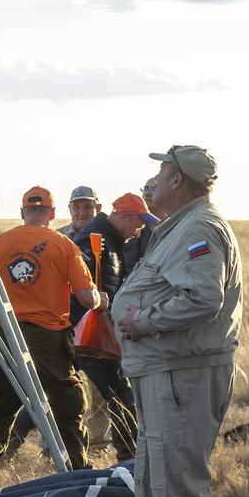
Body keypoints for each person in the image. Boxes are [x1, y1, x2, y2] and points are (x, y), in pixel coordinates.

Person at [110, 145, 242, 497]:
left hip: (181, 374)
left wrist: (144, 322)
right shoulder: (179, 225)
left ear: (177, 180)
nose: (156, 177)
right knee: (155, 481)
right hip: (163, 371)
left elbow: (203, 298)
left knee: (178, 485)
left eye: (163, 170)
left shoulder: (199, 227)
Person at [0, 186, 108, 497]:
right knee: (67, 410)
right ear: (52, 214)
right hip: (48, 339)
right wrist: (100, 298)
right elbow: (86, 297)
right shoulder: (63, 244)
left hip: (5, 336)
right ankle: (78, 478)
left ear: (22, 212)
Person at [70, 192, 157, 462]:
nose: (139, 229)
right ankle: (130, 460)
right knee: (121, 395)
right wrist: (97, 314)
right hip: (88, 335)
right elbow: (76, 286)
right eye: (138, 222)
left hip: (88, 333)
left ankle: (9, 448)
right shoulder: (95, 239)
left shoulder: (109, 240)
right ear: (124, 217)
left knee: (56, 392)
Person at [123, 176, 161, 273]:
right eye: (146, 188)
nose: (147, 193)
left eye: (154, 189)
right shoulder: (131, 226)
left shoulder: (176, 226)